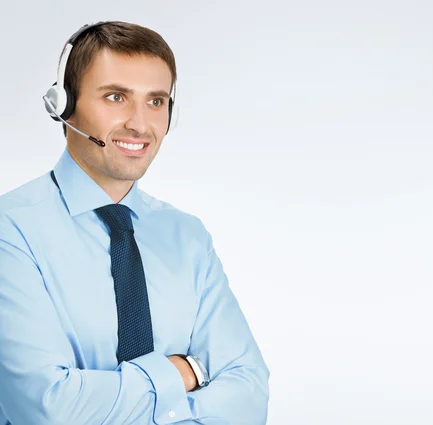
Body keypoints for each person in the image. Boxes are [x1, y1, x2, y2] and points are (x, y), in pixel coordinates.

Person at [0, 21, 269, 425]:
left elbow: (249, 397)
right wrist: (185, 373)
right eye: (115, 97)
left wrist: (114, 400)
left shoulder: (187, 236)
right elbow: (48, 408)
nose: (140, 124)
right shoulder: (10, 230)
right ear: (63, 104)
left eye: (156, 101)